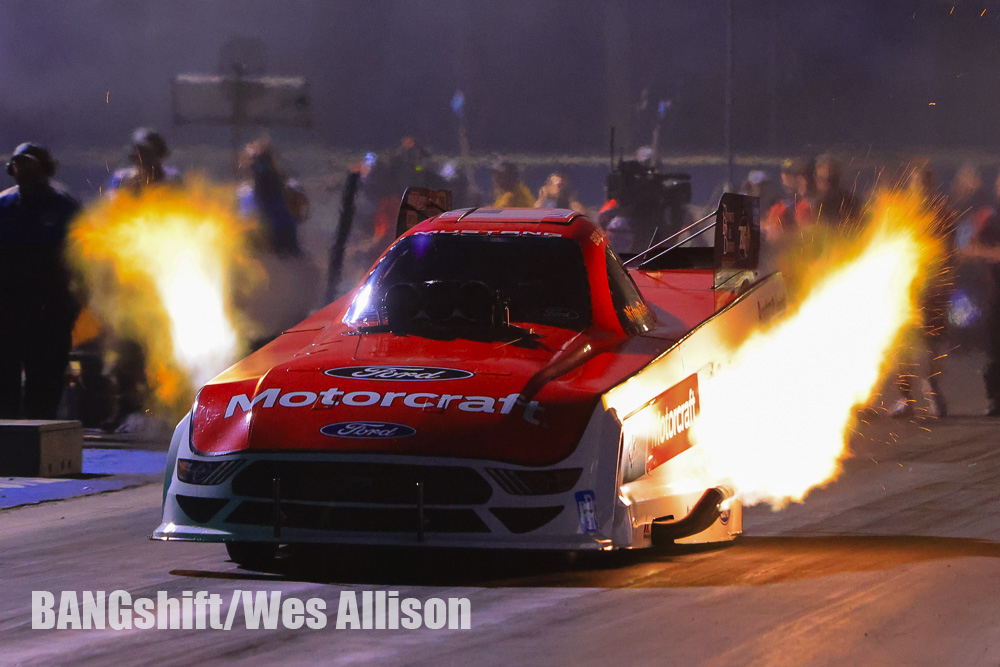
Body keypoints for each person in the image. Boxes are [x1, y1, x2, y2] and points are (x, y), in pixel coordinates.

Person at [0, 143, 81, 419]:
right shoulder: (4, 205)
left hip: (51, 309)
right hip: (9, 309)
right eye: (18, 163)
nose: (22, 169)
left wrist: (71, 305)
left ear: (45, 167)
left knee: (45, 378)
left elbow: (79, 260)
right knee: (5, 378)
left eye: (29, 162)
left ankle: (40, 434)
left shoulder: (64, 207)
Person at [891, 163, 953, 418]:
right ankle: (906, 398)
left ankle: (932, 392)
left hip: (932, 289)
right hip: (906, 290)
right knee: (902, 344)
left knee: (930, 344)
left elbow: (948, 252)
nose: (920, 188)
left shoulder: (942, 214)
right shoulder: (903, 213)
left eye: (923, 183)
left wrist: (943, 281)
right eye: (916, 183)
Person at [237, 138, 309, 257]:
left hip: (278, 239)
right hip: (279, 239)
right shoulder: (247, 192)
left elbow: (300, 212)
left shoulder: (248, 192)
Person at [107, 128, 181, 194]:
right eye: (141, 154)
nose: (146, 160)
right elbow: (109, 203)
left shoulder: (172, 178)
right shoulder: (121, 178)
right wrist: (127, 191)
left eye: (149, 155)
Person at [763, 157, 817, 243]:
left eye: (789, 175)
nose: (784, 180)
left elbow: (808, 237)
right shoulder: (782, 205)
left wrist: (782, 235)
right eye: (784, 174)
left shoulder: (808, 205)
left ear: (801, 179)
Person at [814, 154, 859, 227]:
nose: (826, 184)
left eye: (830, 179)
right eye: (822, 179)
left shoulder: (851, 203)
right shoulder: (816, 208)